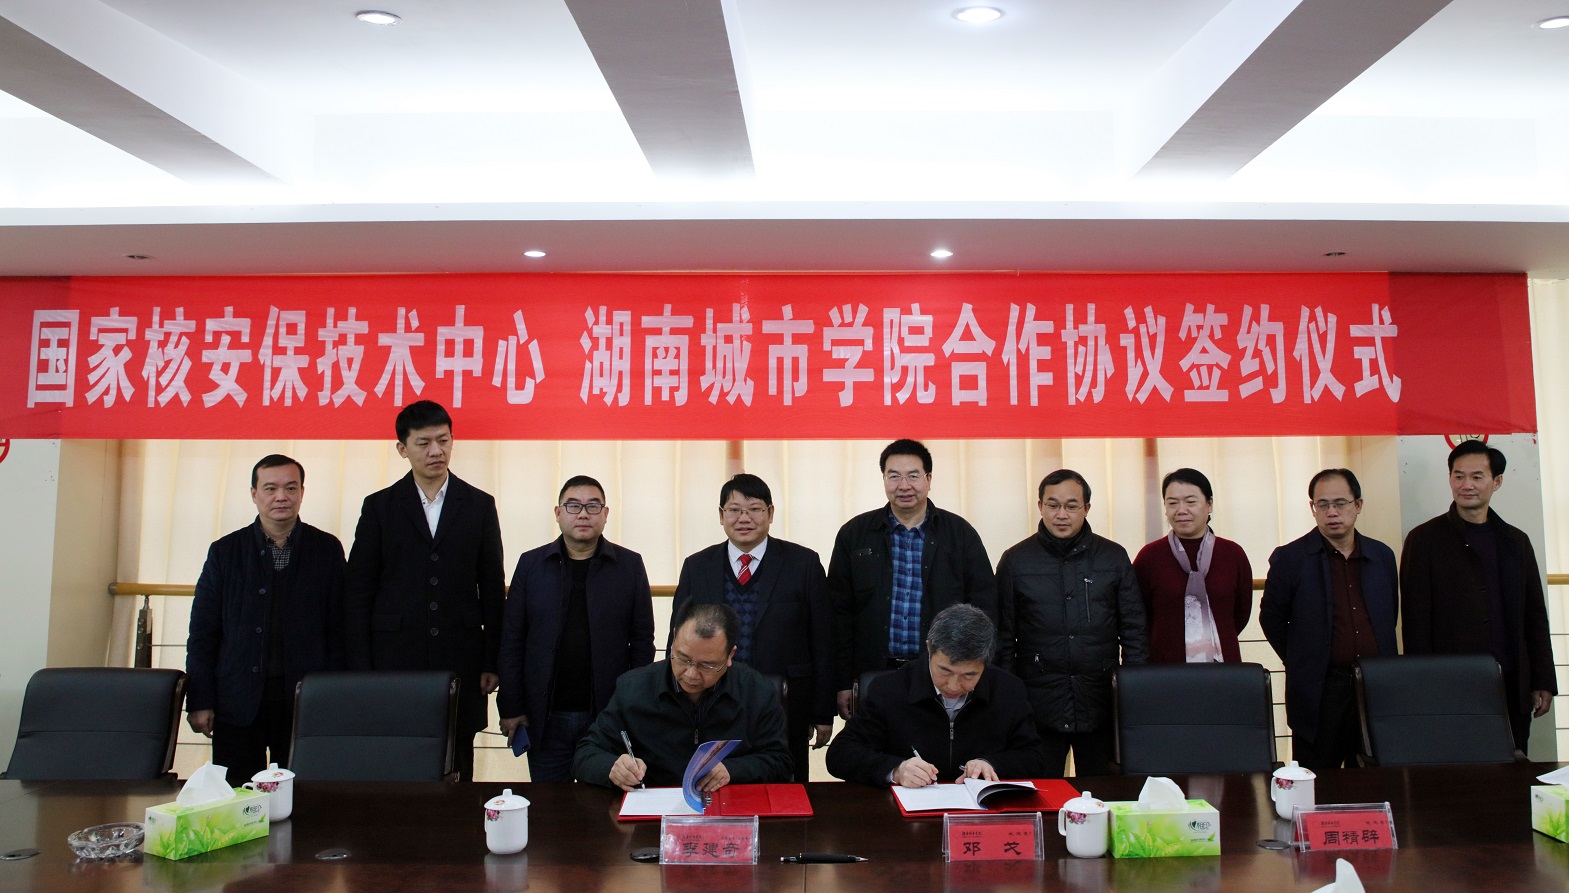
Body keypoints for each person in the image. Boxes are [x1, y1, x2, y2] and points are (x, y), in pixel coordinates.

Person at [345, 400, 505, 781]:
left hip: (461, 656)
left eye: (443, 440)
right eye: (423, 443)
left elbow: (492, 589)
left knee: (458, 762)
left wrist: (491, 660)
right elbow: (358, 592)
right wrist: (361, 668)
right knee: (396, 762)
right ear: (402, 449)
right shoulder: (379, 507)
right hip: (394, 659)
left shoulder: (479, 505)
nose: (436, 451)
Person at [186, 454, 346, 786]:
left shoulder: (326, 549)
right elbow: (203, 633)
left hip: (305, 701)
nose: (281, 497)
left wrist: (335, 695)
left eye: (291, 488)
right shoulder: (225, 552)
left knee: (306, 796)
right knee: (236, 797)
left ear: (302, 492)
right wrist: (201, 700)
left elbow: (340, 629)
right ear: (254, 494)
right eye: (270, 488)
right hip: (237, 701)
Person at [669, 473, 833, 781]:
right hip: (711, 701)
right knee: (713, 784)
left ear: (770, 513)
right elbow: (676, 641)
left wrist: (823, 712)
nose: (744, 518)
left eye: (754, 509)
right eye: (734, 510)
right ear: (721, 516)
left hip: (786, 704)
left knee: (786, 786)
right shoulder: (697, 566)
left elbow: (822, 641)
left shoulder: (804, 563)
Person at [1400, 440, 1556, 754]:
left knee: (1513, 764)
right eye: (1458, 476)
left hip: (1510, 681)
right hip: (1451, 684)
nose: (1466, 485)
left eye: (1476, 477)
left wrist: (1542, 679)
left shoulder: (1516, 541)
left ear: (1496, 482)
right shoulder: (1424, 540)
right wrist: (1421, 686)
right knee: (1456, 768)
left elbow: (1534, 616)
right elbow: (1416, 622)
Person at [497, 475, 655, 782]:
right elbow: (512, 640)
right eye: (573, 506)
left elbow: (642, 642)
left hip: (607, 715)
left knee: (603, 801)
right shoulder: (531, 565)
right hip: (544, 717)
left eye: (592, 506)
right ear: (558, 513)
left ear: (605, 514)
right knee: (549, 803)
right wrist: (512, 706)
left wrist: (633, 707)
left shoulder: (629, 565)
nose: (583, 514)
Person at [827, 438, 994, 720]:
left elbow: (984, 607)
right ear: (883, 479)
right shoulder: (854, 534)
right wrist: (842, 682)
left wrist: (972, 674)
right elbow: (837, 614)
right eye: (894, 476)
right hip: (872, 675)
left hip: (943, 676)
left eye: (913, 476)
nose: (904, 485)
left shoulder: (960, 534)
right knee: (875, 745)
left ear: (929, 479)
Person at [995, 469, 1148, 777]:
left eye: (1071, 505)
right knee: (1040, 791)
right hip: (1038, 703)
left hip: (1100, 698)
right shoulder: (1016, 560)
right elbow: (1003, 637)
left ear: (1086, 508)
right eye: (1053, 505)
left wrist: (1132, 690)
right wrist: (1010, 698)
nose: (1061, 514)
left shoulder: (1113, 557)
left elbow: (1134, 631)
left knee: (1104, 791)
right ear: (1040, 506)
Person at [1260, 468, 1398, 771]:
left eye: (1340, 503)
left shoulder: (1381, 556)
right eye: (1322, 504)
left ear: (1358, 505)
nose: (1331, 512)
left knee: (1373, 778)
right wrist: (1302, 658)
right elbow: (1271, 619)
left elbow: (1390, 616)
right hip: (1321, 690)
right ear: (1313, 508)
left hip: (1374, 686)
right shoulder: (1291, 558)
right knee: (1318, 777)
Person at [573, 602, 792, 791]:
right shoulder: (633, 688)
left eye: (707, 665)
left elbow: (781, 762)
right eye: (683, 658)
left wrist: (732, 770)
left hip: (726, 807)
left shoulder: (757, 692)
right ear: (674, 638)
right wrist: (612, 767)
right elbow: (585, 754)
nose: (691, 674)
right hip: (653, 808)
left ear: (730, 655)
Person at [827, 604, 1046, 787]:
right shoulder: (890, 689)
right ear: (929, 649)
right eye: (945, 671)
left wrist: (991, 764)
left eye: (969, 675)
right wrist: (895, 770)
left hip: (980, 812)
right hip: (906, 813)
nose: (954, 685)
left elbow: (1034, 758)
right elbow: (840, 754)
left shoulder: (1008, 690)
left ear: (986, 664)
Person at [1132, 468, 1254, 663]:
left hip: (1223, 666)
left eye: (1190, 502)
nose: (1181, 510)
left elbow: (1241, 613)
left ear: (1209, 504)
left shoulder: (1232, 554)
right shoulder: (1150, 557)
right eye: (1172, 503)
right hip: (1165, 667)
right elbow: (1137, 616)